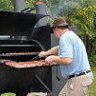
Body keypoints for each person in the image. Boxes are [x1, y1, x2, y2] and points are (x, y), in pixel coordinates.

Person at [39, 18, 93, 96]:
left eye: (53, 32)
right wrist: (45, 53)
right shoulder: (70, 35)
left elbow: (67, 60)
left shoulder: (65, 37)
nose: (54, 34)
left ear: (56, 29)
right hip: (78, 78)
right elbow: (58, 48)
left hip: (78, 79)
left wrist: (52, 58)